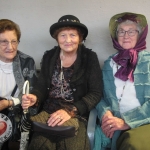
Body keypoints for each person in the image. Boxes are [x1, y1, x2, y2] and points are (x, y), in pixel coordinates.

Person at [21, 14, 103, 150]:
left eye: (73, 35)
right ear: (57, 38)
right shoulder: (49, 56)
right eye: (63, 35)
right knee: (39, 146)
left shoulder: (89, 58)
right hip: (48, 113)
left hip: (76, 115)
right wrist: (34, 97)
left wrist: (70, 110)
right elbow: (41, 86)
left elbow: (95, 93)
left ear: (80, 38)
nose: (68, 40)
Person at [94, 12, 150, 150]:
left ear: (140, 34)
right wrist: (105, 114)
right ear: (115, 36)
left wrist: (126, 121)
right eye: (121, 32)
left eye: (131, 31)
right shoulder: (109, 64)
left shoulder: (149, 62)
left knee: (133, 144)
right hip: (113, 122)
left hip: (145, 122)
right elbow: (98, 95)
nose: (126, 36)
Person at [0, 19, 38, 150]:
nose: (10, 47)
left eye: (14, 41)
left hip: (16, 112)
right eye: (4, 42)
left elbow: (31, 94)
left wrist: (9, 103)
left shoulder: (26, 61)